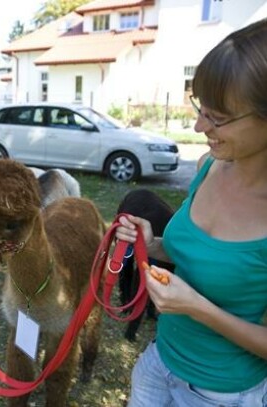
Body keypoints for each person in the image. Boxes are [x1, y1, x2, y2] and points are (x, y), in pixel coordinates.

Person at [116, 19, 267, 406]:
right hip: (159, 363)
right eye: (201, 108)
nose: (199, 125)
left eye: (218, 117)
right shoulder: (207, 166)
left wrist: (197, 309)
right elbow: (199, 257)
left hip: (220, 393)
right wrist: (156, 244)